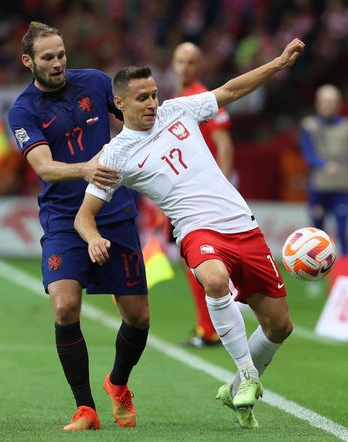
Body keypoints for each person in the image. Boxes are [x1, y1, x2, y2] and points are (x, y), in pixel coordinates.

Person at [75, 38, 306, 429]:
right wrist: (93, 237)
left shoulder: (178, 110)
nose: (152, 104)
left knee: (279, 326)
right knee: (214, 280)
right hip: (196, 230)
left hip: (242, 226)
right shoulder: (116, 155)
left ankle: (236, 389)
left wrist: (278, 65)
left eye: (154, 94)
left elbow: (231, 89)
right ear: (119, 105)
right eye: (142, 98)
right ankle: (249, 374)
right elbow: (84, 215)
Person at [7, 22, 149, 431]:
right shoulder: (23, 110)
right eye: (48, 57)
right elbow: (44, 167)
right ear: (28, 61)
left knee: (138, 317)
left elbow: (137, 121)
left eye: (61, 54)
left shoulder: (95, 83)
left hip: (115, 212)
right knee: (66, 306)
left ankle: (118, 384)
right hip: (64, 221)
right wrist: (86, 168)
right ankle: (85, 408)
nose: (57, 64)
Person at [171, 41, 235, 348]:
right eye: (180, 61)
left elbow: (223, 143)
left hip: (205, 194)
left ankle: (210, 330)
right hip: (186, 194)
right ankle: (208, 327)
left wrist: (219, 184)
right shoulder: (175, 100)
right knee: (194, 262)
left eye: (190, 61)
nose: (184, 66)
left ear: (199, 66)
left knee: (201, 261)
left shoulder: (204, 98)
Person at [299, 84, 348, 257]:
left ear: (339, 104)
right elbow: (307, 153)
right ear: (317, 104)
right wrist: (323, 164)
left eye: (332, 102)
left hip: (342, 186)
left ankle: (347, 271)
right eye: (325, 102)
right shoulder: (309, 126)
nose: (329, 106)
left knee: (343, 232)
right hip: (318, 186)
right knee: (316, 236)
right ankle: (314, 277)